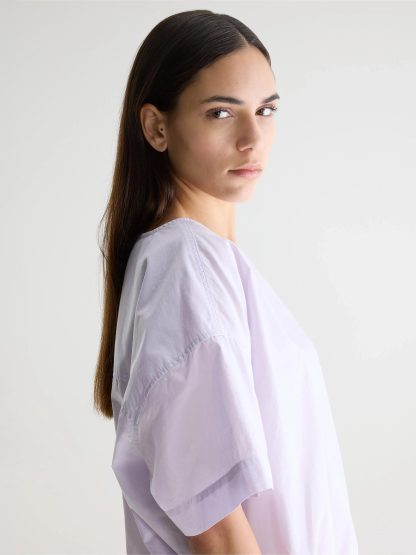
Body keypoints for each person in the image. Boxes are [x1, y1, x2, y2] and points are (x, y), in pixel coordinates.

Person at [93, 9, 360, 555]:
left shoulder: (197, 262)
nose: (253, 138)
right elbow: (216, 527)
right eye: (221, 112)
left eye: (266, 110)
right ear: (157, 127)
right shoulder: (184, 263)